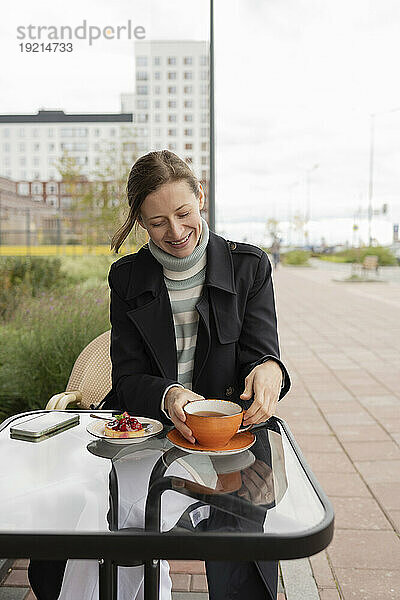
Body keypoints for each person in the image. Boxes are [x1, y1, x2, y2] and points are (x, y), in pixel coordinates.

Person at [102, 149, 291, 600]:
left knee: (239, 532)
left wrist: (269, 371)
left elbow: (263, 354)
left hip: (230, 434)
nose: (176, 232)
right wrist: (168, 395)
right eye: (157, 222)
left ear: (200, 196)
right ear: (141, 222)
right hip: (149, 428)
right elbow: (127, 377)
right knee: (111, 521)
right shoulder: (126, 278)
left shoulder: (249, 266)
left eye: (183, 213)